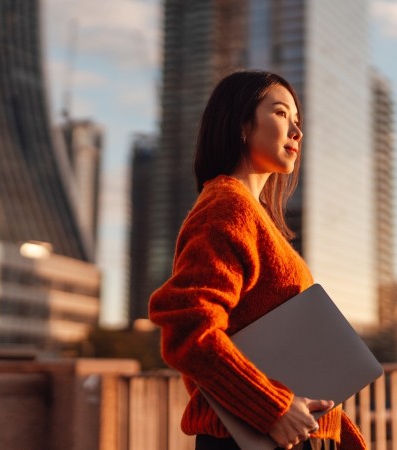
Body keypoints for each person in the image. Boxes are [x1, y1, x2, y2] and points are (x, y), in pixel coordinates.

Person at [149, 70, 367, 450]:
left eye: (298, 121)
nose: (297, 132)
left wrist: (335, 432)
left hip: (291, 431)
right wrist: (272, 409)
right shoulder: (227, 207)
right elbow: (188, 327)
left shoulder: (254, 216)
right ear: (241, 124)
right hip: (255, 435)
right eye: (281, 114)